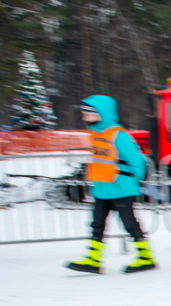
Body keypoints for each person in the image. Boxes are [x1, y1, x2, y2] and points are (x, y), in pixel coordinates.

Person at [65, 95, 156, 274]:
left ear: (101, 113)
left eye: (88, 113)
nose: (84, 117)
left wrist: (135, 180)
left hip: (121, 188)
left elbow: (137, 161)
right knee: (97, 224)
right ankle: (93, 260)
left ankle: (146, 258)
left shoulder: (118, 135)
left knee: (129, 223)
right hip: (101, 188)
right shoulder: (95, 134)